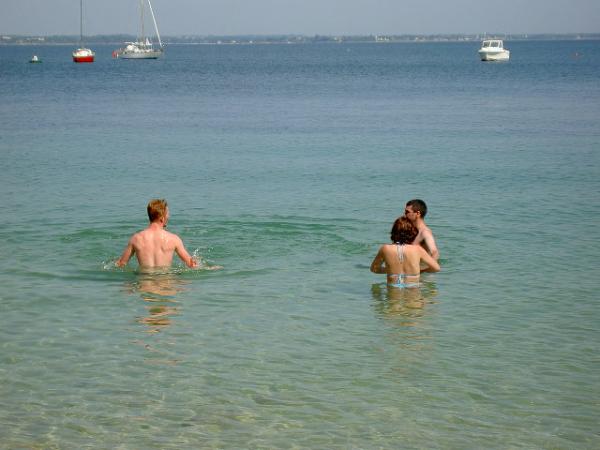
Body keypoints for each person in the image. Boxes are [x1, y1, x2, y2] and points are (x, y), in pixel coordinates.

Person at [116, 199, 199, 269]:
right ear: (162, 218)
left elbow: (121, 264)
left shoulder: (136, 239)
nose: (168, 217)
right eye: (167, 214)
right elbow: (192, 265)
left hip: (145, 286)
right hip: (166, 286)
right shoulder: (174, 239)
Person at [370, 216, 440, 287]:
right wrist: (419, 271)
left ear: (394, 231)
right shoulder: (418, 249)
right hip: (413, 289)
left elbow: (374, 269)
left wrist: (390, 270)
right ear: (412, 232)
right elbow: (436, 268)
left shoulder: (385, 248)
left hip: (393, 290)